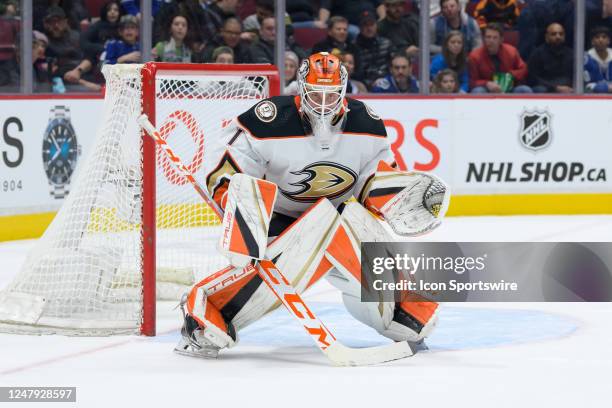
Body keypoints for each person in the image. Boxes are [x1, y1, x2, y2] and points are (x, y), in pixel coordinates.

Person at [173, 52, 447, 359]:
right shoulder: (268, 118)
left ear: (344, 91)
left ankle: (396, 308)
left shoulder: (367, 123)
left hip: (337, 221)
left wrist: (397, 198)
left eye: (331, 95)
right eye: (316, 93)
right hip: (281, 227)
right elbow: (226, 169)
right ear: (301, 89)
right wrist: (237, 204)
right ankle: (209, 307)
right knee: (324, 222)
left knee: (413, 322)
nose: (323, 102)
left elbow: (374, 180)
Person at [43, 6, 98, 92]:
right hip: (61, 84)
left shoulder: (78, 36)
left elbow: (90, 58)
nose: (56, 25)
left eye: (59, 21)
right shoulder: (44, 41)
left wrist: (78, 71)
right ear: (45, 24)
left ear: (65, 22)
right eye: (52, 22)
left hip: (84, 75)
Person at [468, 23, 531, 93]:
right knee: (478, 91)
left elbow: (523, 68)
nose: (491, 41)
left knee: (525, 90)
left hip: (509, 87)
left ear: (501, 40)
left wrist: (510, 75)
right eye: (488, 37)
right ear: (484, 39)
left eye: (495, 38)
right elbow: (472, 82)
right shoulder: (474, 56)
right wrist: (486, 83)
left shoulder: (512, 51)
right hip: (487, 89)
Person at [352, 10, 395, 88]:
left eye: (371, 24)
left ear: (376, 25)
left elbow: (393, 66)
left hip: (387, 82)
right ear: (360, 27)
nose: (369, 28)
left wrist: (385, 80)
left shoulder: (386, 43)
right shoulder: (353, 47)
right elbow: (356, 73)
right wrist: (370, 83)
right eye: (365, 25)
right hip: (363, 86)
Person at [527, 22, 574, 93]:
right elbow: (533, 79)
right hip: (546, 88)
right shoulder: (537, 54)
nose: (558, 37)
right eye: (553, 34)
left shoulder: (571, 54)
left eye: (561, 34)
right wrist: (555, 88)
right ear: (546, 37)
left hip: (568, 88)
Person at [80, 0, 122, 66]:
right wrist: (101, 48)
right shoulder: (98, 26)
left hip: (119, 58)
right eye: (109, 10)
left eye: (116, 10)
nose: (112, 12)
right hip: (99, 58)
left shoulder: (122, 27)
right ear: (105, 12)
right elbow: (83, 42)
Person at [584, 26, 612, 93]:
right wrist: (605, 88)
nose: (601, 40)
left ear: (609, 41)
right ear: (592, 42)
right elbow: (586, 86)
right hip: (593, 96)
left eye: (604, 37)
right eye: (597, 37)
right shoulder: (586, 59)